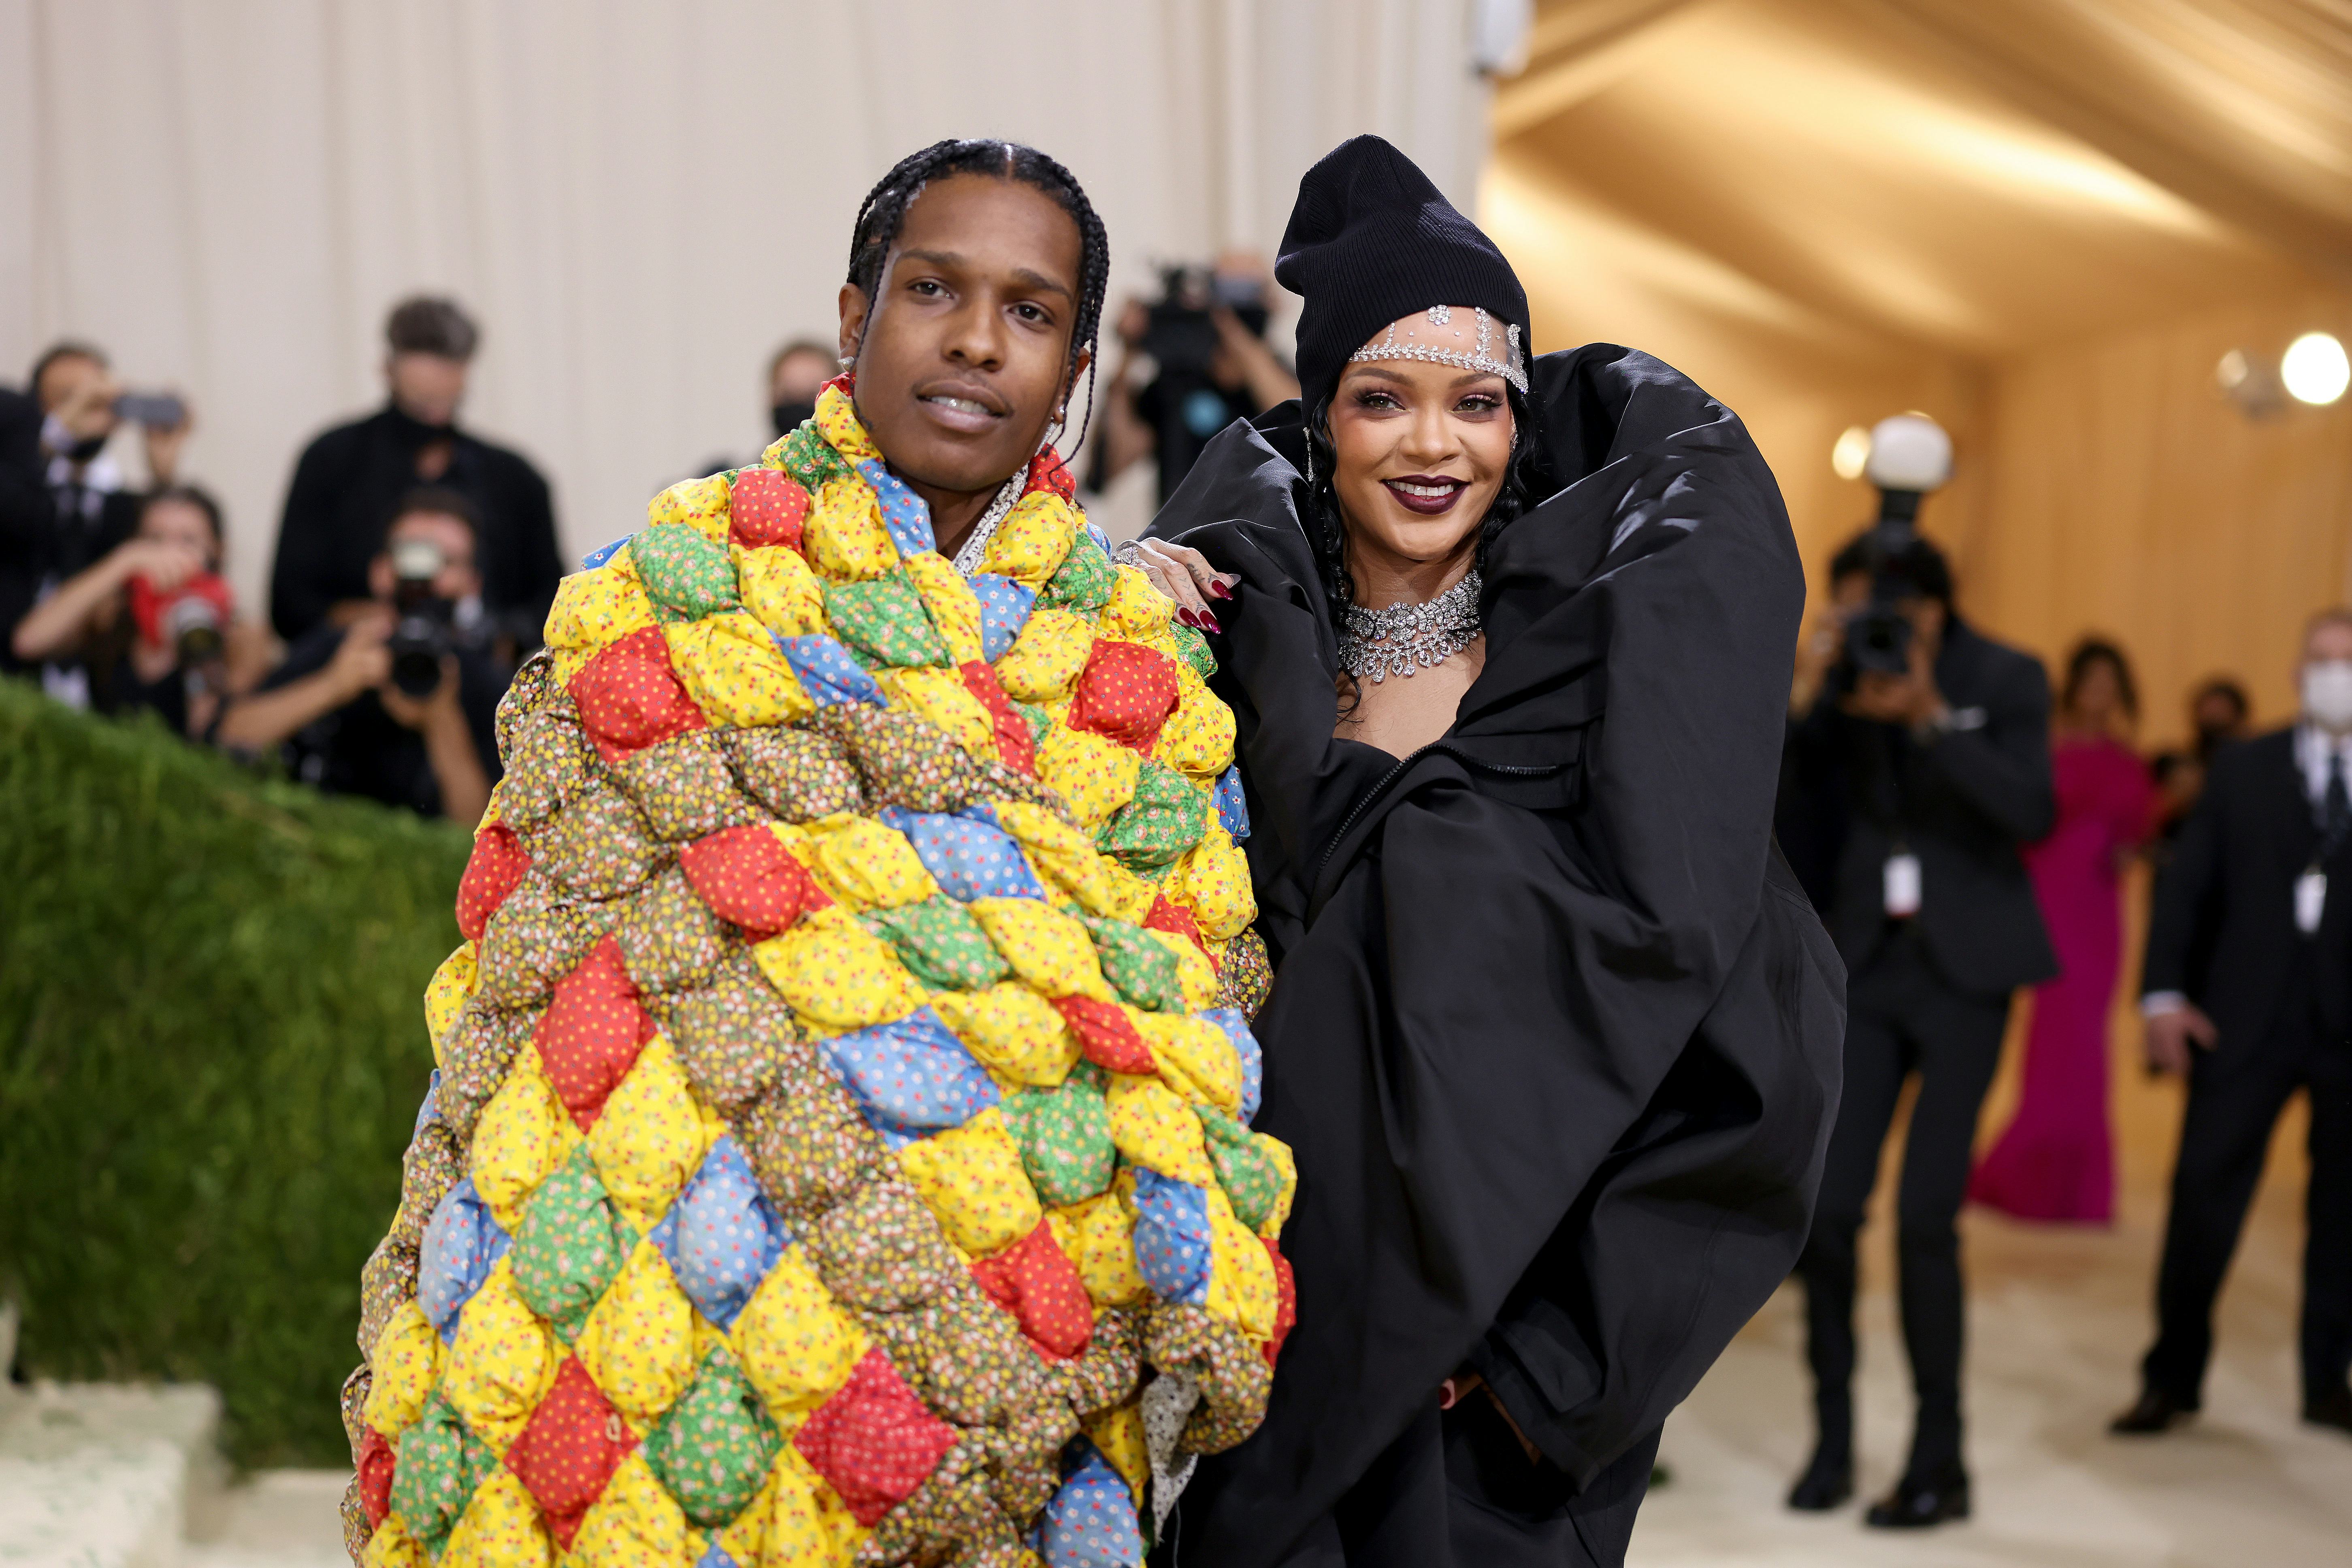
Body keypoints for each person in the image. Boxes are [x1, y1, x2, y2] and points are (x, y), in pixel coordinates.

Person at [1127, 134, 1843, 1568]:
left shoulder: (1600, 688)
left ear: (1519, 421)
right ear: (1321, 414)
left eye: (1475, 403)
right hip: (1239, 1344)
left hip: (1487, 1402)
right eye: (1380, 399)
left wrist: (1540, 1372)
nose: (1431, 445)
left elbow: (1752, 1033)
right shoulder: (1222, 648)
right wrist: (1106, 624)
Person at [1780, 520, 2056, 1525]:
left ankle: (1940, 1460)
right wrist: (1814, 699)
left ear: (1935, 609)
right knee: (1830, 1213)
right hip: (1864, 969)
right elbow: (1792, 815)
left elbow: (2032, 812)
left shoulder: (2008, 674)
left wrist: (1935, 715)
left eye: (1886, 612)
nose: (1874, 628)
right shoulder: (1848, 679)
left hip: (1966, 976)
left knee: (1926, 1220)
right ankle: (1833, 1442)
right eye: (1853, 612)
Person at [2112, 609, 2352, 1440]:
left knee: (2342, 1218)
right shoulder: (2245, 768)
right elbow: (2186, 889)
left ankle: (2330, 1380)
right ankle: (2171, 1377)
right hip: (2241, 1024)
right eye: (2322, 660)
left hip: (2346, 1031)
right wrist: (2162, 996)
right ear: (2296, 672)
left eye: (2348, 663)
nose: (2334, 676)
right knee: (2203, 1202)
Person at [1970, 639, 2158, 1223]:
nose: (2100, 694)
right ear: (2074, 687)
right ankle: (2034, 1179)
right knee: (2055, 1037)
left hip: (2102, 908)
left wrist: (2131, 851)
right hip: (2049, 897)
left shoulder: (2129, 760)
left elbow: (2138, 835)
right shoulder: (2045, 751)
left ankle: (2072, 1188)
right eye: (2092, 682)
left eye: (2111, 684)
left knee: (2088, 1040)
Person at [268, 296, 563, 649]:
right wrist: (369, 621)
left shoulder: (516, 480)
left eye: (445, 389)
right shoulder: (332, 461)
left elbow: (554, 604)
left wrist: (495, 635)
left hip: (490, 685)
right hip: (355, 676)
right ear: (388, 369)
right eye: (423, 400)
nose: (438, 390)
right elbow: (289, 604)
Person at [222, 492, 501, 822]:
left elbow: (483, 834)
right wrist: (334, 685)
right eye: (413, 554)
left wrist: (441, 718)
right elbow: (230, 736)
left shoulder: (489, 682)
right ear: (380, 571)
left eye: (448, 561)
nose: (426, 577)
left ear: (472, 584)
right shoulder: (339, 647)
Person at [7, 484, 273, 737]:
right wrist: (122, 562)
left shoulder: (240, 638)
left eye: (188, 540)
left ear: (217, 550)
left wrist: (198, 639)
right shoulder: (114, 615)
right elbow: (29, 642)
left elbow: (211, 736)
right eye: (155, 539)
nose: (169, 553)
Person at [4, 343, 193, 687]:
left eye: (98, 397)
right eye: (66, 397)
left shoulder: (120, 503)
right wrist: (55, 436)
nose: (87, 409)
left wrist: (162, 475)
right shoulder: (20, 487)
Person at [1090, 253, 1300, 505]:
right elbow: (1110, 465)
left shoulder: (1280, 376)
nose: (1229, 305)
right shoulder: (1176, 382)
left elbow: (1301, 427)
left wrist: (1235, 335)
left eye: (1242, 292)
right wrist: (1128, 355)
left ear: (1270, 302)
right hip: (1184, 541)